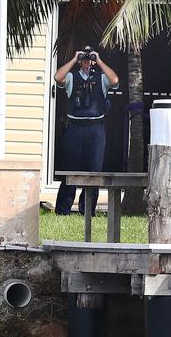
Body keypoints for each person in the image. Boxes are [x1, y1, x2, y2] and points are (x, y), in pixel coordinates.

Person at [54, 46, 119, 215]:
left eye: (88, 59)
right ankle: (63, 209)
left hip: (95, 129)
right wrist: (74, 59)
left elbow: (114, 80)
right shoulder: (71, 77)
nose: (86, 62)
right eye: (84, 59)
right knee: (70, 169)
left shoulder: (101, 78)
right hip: (75, 128)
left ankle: (88, 209)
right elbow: (57, 77)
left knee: (94, 170)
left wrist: (99, 61)